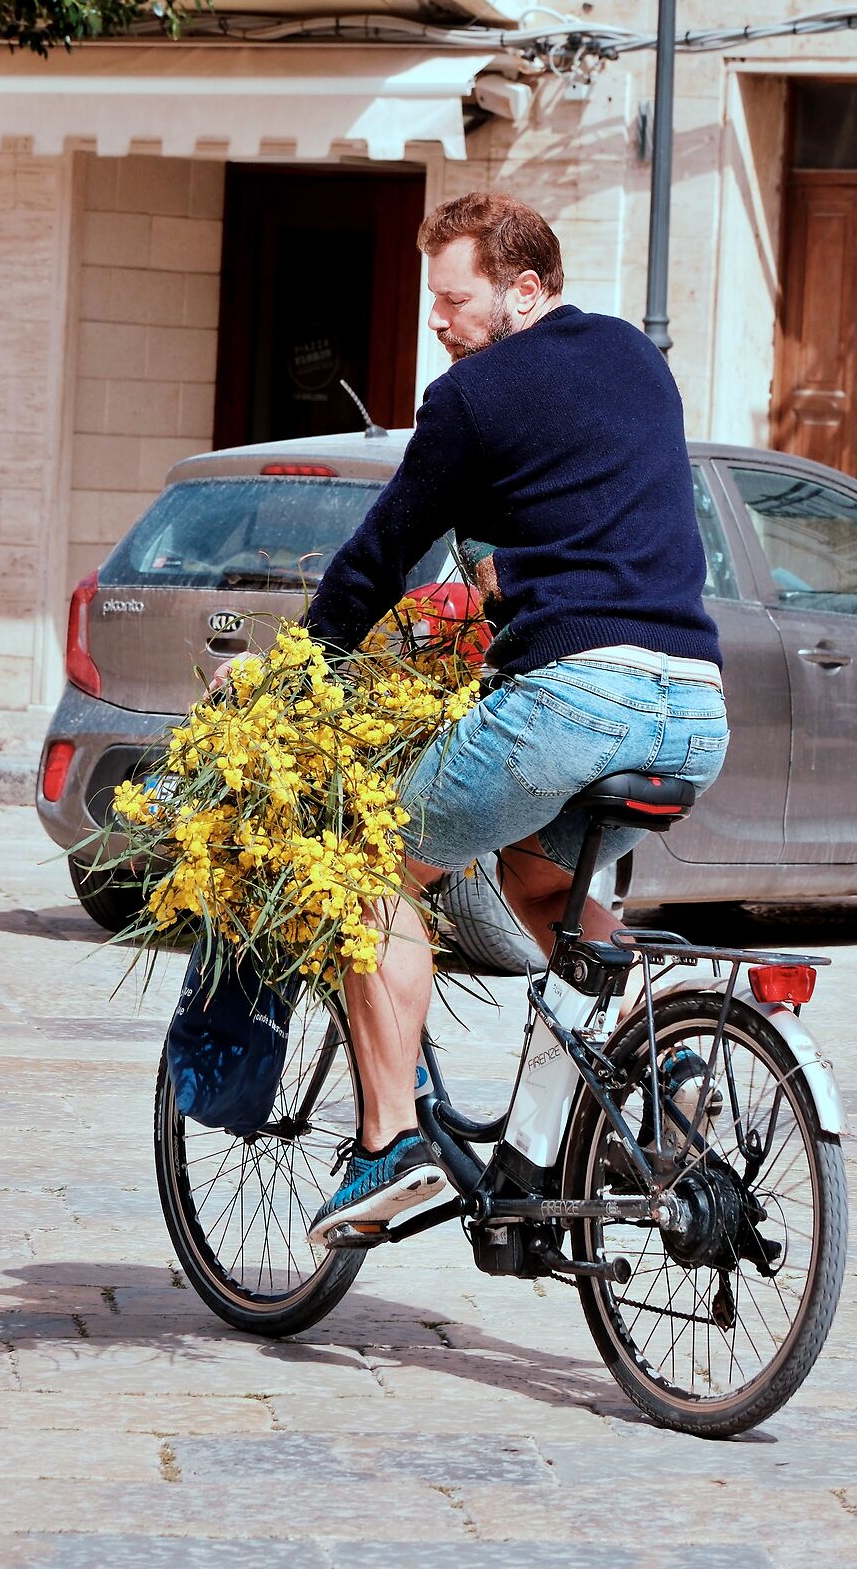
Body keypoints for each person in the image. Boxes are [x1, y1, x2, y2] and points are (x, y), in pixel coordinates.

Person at [240, 191, 732, 1245]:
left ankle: (389, 1149)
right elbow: (594, 524)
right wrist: (495, 597)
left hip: (576, 702)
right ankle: (672, 1061)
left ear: (523, 289)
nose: (438, 320)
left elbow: (384, 546)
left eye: (453, 299)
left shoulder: (470, 396)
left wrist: (310, 666)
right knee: (537, 879)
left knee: (363, 865)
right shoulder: (641, 364)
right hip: (694, 706)